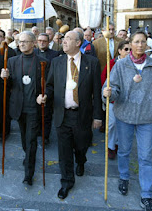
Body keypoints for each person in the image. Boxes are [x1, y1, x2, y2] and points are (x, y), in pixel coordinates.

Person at [103, 31, 152, 211]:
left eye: (143, 42)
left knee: (145, 157)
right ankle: (124, 177)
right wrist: (109, 93)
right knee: (124, 151)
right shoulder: (121, 65)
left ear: (147, 45)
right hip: (124, 116)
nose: (140, 45)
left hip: (147, 118)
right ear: (130, 44)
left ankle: (146, 195)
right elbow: (113, 88)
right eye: (137, 42)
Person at [37, 30, 102, 199]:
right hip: (62, 113)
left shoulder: (92, 63)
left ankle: (81, 161)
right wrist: (45, 95)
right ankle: (66, 181)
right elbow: (50, 85)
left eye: (68, 39)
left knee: (81, 145)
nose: (63, 42)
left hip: (82, 114)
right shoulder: (57, 62)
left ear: (78, 43)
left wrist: (97, 116)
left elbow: (96, 90)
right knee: (64, 151)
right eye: (63, 39)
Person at [1, 31, 49, 186]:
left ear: (33, 43)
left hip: (33, 108)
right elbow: (8, 86)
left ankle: (29, 173)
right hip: (18, 107)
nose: (21, 44)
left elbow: (49, 84)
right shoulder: (12, 61)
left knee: (31, 140)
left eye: (25, 41)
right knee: (24, 140)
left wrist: (44, 95)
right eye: (19, 41)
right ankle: (28, 155)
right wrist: (4, 78)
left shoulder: (42, 62)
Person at [101, 40, 131, 159]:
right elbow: (104, 78)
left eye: (130, 50)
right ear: (119, 50)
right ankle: (110, 146)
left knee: (122, 124)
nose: (129, 52)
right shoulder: (112, 63)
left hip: (126, 100)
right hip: (113, 99)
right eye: (126, 49)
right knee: (112, 123)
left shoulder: (132, 64)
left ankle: (118, 144)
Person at [34, 33, 60, 144]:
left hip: (49, 86)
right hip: (35, 87)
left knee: (47, 114)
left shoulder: (54, 54)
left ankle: (45, 136)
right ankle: (37, 132)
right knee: (36, 113)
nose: (42, 42)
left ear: (48, 42)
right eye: (39, 40)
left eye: (44, 41)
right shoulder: (33, 53)